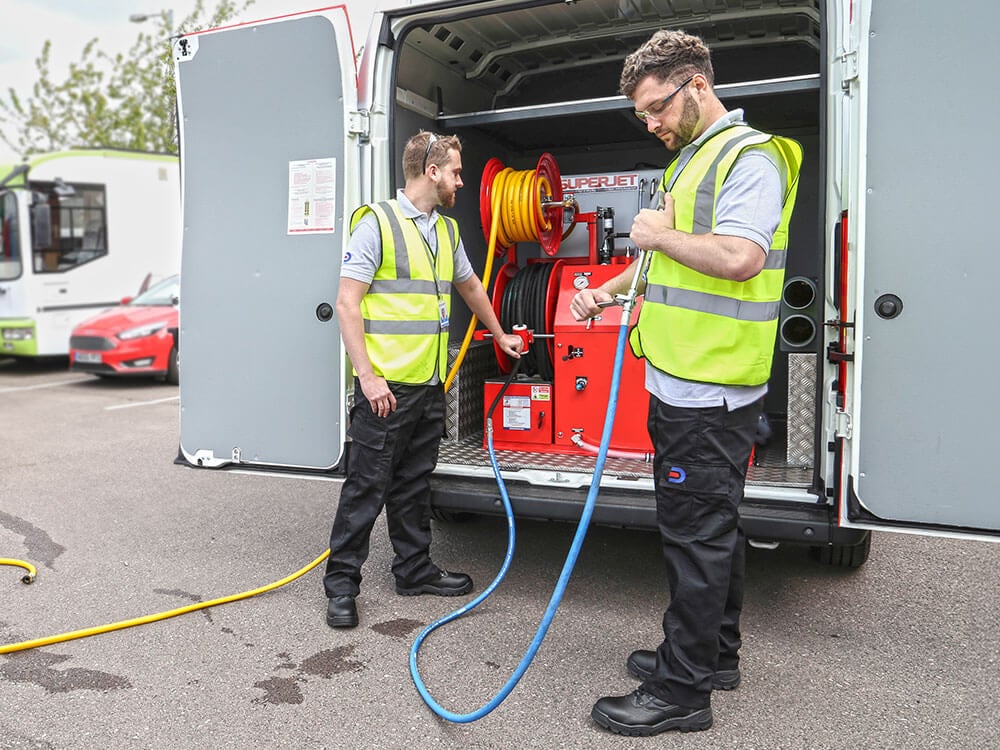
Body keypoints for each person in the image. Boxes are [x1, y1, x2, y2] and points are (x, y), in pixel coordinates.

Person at [570, 30, 802, 735]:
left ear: (697, 84)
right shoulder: (692, 160)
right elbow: (662, 265)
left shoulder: (749, 158)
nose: (651, 123)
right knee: (714, 528)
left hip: (710, 389)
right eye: (642, 114)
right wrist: (606, 293)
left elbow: (737, 256)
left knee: (694, 537)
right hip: (684, 383)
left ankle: (681, 691)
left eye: (657, 108)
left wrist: (656, 236)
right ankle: (714, 654)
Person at [324, 131, 523, 629]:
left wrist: (499, 334)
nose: (461, 181)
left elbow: (470, 286)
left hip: (430, 384)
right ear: (432, 172)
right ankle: (342, 586)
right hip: (386, 389)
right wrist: (367, 378)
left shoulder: (446, 231)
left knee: (414, 486)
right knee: (366, 489)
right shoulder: (377, 224)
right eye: (455, 172)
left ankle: (413, 570)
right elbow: (347, 304)